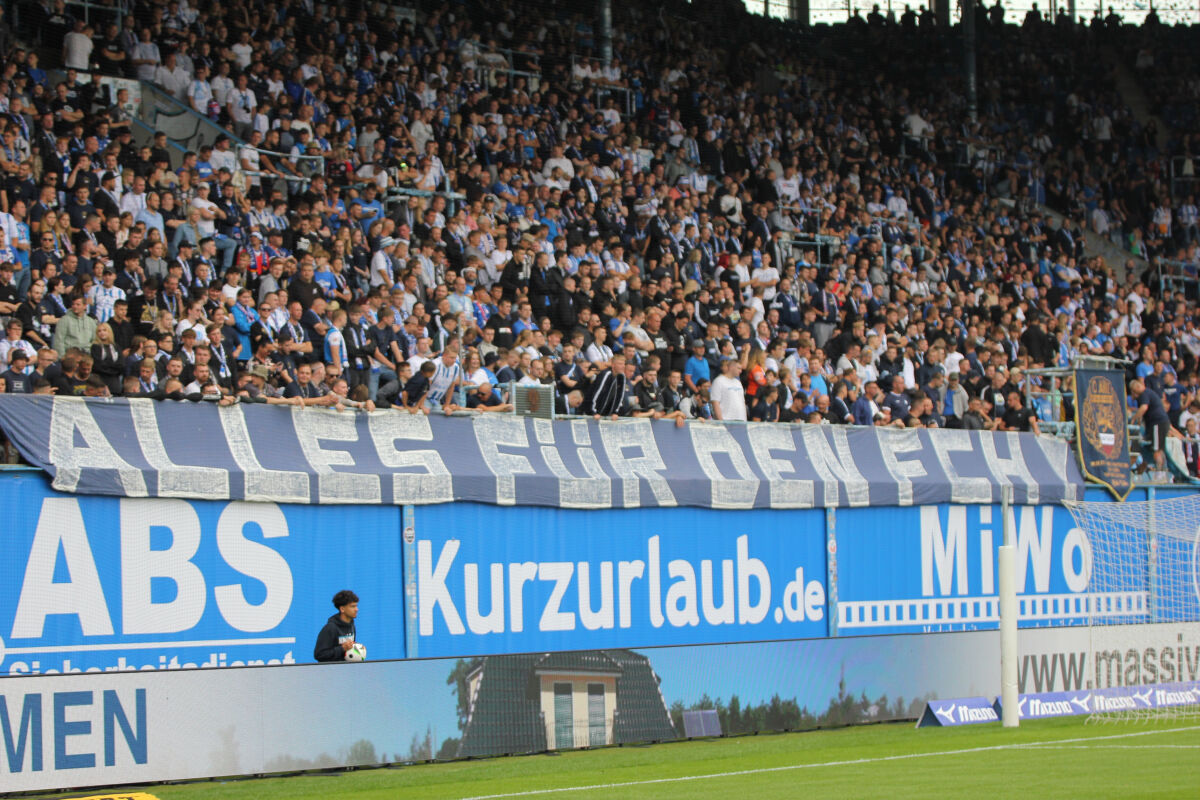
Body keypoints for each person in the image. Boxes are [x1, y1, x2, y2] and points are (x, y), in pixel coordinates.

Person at [313, 589, 359, 662]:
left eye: (356, 606)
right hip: (330, 671)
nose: (356, 609)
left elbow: (347, 653)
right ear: (342, 609)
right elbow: (319, 655)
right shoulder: (330, 628)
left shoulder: (352, 625)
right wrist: (342, 648)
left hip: (346, 670)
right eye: (352, 606)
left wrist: (356, 650)